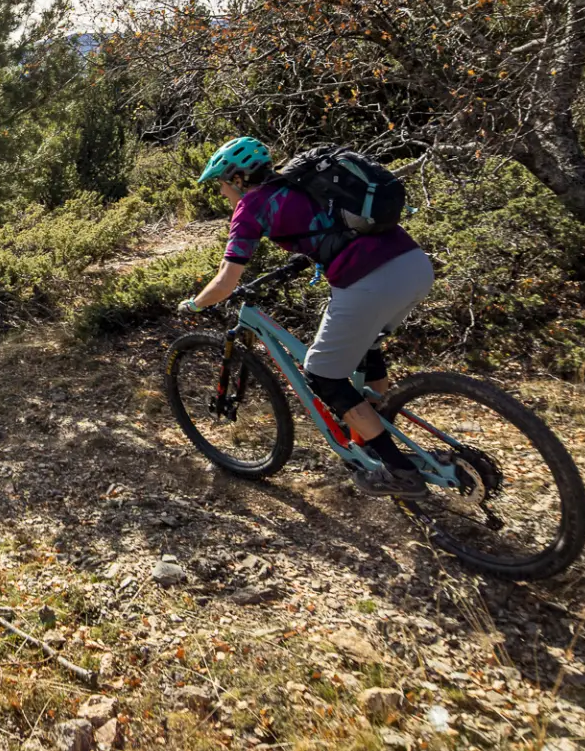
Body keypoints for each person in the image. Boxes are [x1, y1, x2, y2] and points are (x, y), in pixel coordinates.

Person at [177, 136, 436, 497]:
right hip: (414, 266)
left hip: (370, 282)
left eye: (222, 185)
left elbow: (225, 282)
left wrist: (195, 304)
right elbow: (327, 231)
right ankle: (375, 428)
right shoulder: (299, 182)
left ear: (237, 179)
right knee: (365, 349)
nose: (222, 194)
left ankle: (400, 471)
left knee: (321, 375)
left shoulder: (251, 206)